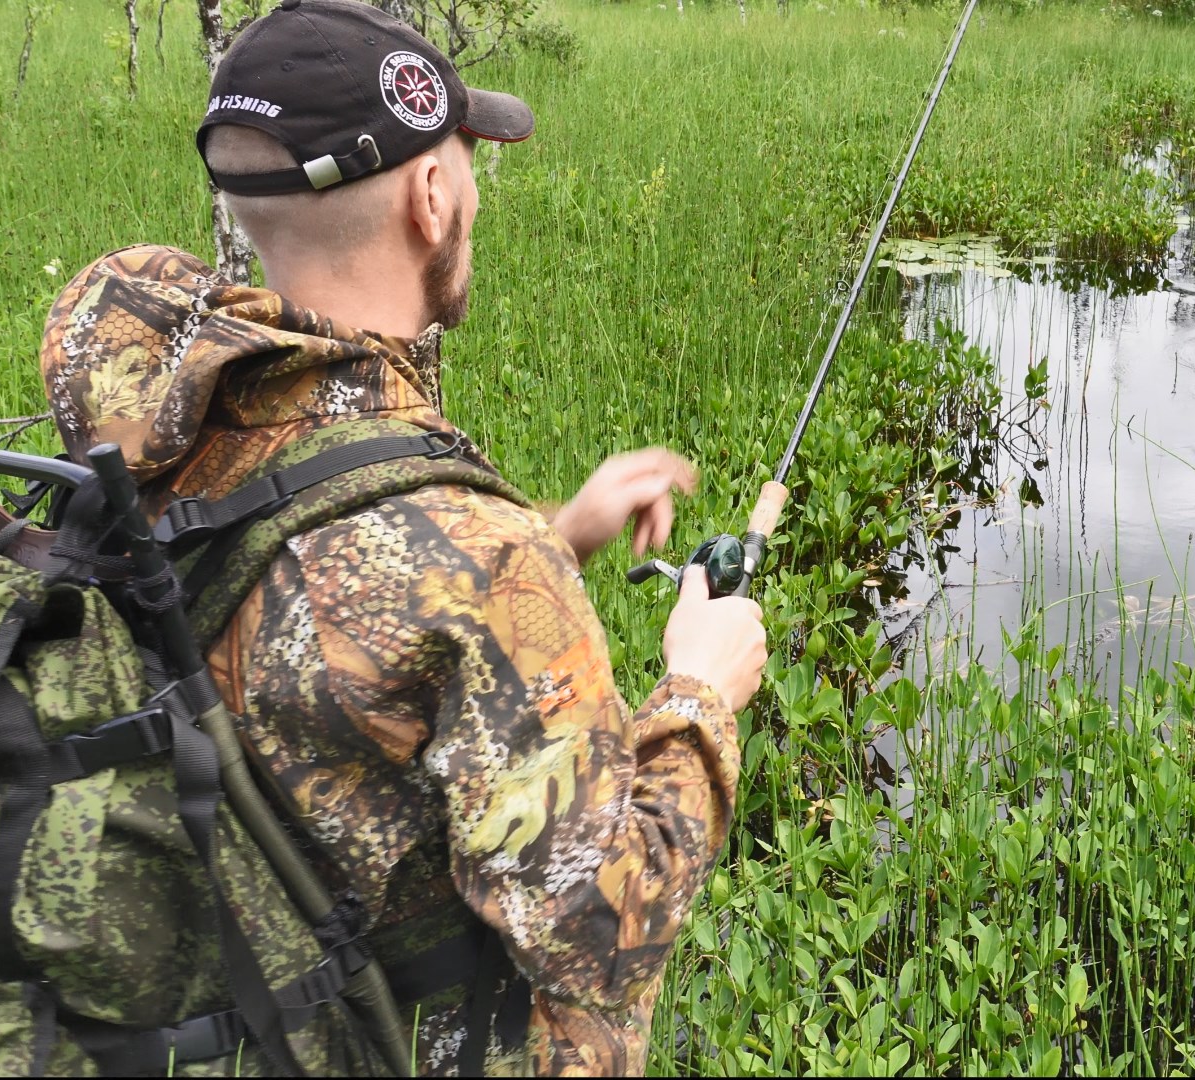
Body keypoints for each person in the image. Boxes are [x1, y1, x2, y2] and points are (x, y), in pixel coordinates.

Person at [38, 0, 767, 1074]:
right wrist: (701, 690)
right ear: (432, 196)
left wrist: (555, 534)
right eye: (470, 162)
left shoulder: (159, 418)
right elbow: (612, 928)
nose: (475, 191)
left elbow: (319, 615)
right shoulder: (474, 560)